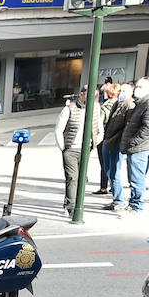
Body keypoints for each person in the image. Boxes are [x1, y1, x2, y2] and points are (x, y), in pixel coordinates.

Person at [108, 77, 149, 215]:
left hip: (139, 147)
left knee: (137, 178)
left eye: (140, 87)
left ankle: (136, 205)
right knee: (133, 177)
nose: (136, 89)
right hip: (134, 147)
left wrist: (134, 141)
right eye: (137, 86)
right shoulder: (141, 102)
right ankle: (134, 203)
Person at [53, 89, 101, 217]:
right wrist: (63, 147)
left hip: (85, 149)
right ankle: (71, 207)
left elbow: (100, 129)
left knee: (81, 178)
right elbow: (59, 129)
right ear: (82, 94)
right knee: (72, 178)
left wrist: (93, 144)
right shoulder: (69, 109)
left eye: (96, 95)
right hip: (71, 149)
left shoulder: (95, 109)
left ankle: (74, 203)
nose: (93, 98)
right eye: (90, 95)